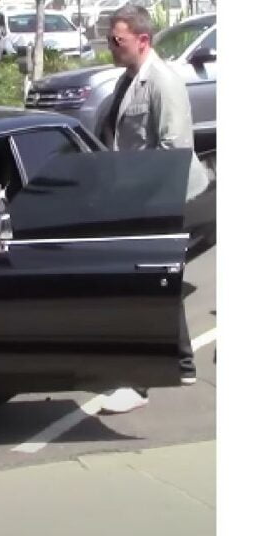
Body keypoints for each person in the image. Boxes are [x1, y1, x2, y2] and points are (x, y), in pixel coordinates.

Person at [96, 4, 208, 415]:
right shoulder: (127, 81)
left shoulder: (163, 83)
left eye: (117, 39)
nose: (111, 46)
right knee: (160, 285)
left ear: (142, 40)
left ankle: (137, 384)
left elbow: (172, 154)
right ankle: (181, 363)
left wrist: (139, 208)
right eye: (110, 38)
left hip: (157, 199)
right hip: (134, 197)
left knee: (139, 290)